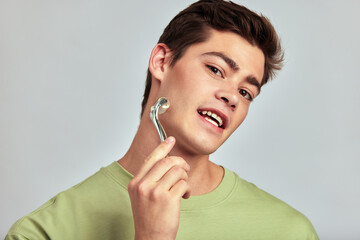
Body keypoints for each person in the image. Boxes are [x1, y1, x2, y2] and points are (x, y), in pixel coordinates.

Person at [6, 0, 319, 239]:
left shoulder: (289, 231)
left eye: (246, 92)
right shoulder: (43, 233)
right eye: (215, 70)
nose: (232, 97)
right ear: (161, 62)